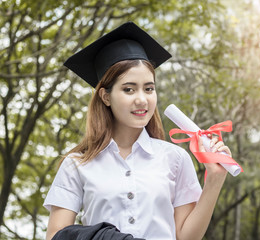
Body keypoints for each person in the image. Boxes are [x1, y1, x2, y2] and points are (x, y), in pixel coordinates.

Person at [44, 21, 231, 240]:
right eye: (129, 89)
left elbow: (186, 237)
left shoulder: (175, 159)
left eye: (149, 89)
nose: (142, 100)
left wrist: (214, 180)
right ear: (106, 97)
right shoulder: (77, 163)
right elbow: (56, 236)